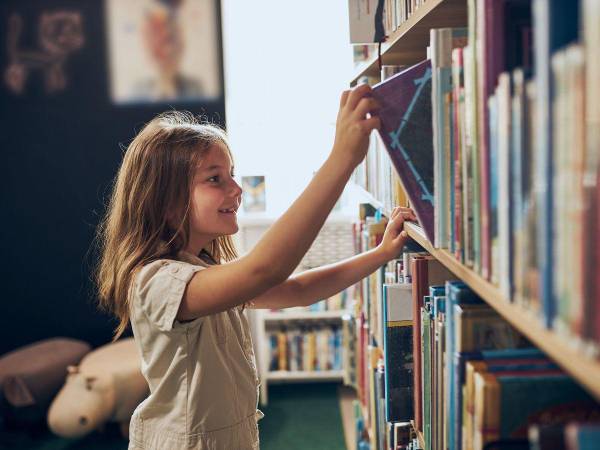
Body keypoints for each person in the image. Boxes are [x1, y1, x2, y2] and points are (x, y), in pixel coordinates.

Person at [95, 83, 416, 450]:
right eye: (215, 179)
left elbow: (297, 290)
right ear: (166, 204)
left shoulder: (203, 267)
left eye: (231, 174)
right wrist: (342, 159)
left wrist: (380, 254)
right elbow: (265, 270)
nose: (236, 188)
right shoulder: (157, 280)